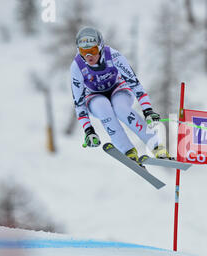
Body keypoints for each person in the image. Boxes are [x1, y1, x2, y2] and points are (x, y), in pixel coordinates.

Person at [70, 26, 169, 165]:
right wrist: (89, 130)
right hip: (93, 96)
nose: (88, 56)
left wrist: (148, 110)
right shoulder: (77, 67)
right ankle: (128, 151)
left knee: (121, 109)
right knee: (103, 107)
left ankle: (156, 146)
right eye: (83, 51)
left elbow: (135, 84)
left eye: (92, 50)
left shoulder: (114, 56)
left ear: (100, 47)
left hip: (118, 88)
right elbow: (79, 103)